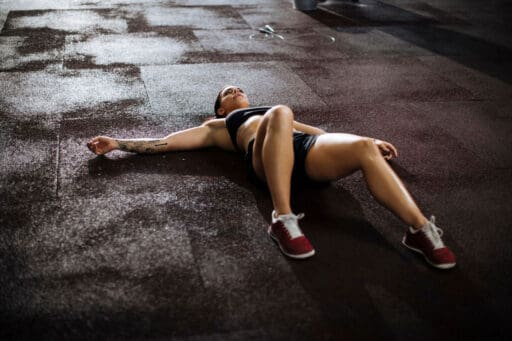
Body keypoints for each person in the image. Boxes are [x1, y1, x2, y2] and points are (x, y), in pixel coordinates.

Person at [87, 85, 456, 269]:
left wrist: (370, 141)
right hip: (265, 161)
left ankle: (419, 230)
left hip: (305, 152)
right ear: (219, 108)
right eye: (228, 92)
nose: (236, 91)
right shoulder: (218, 126)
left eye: (238, 89)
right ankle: (283, 218)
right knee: (280, 112)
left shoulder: (278, 115)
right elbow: (167, 143)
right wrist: (117, 142)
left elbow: (321, 134)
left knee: (360, 146)